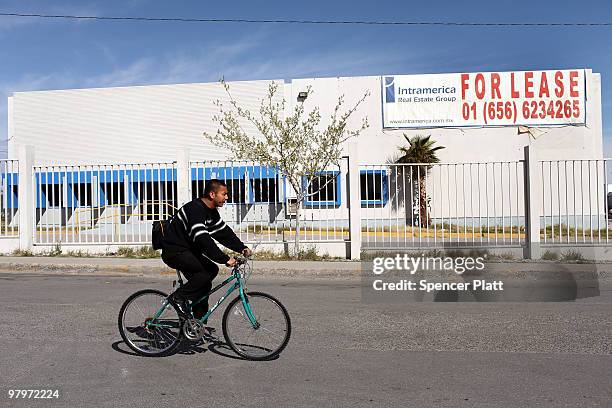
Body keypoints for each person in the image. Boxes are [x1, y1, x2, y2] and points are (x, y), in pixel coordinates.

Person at [160, 179, 252, 320]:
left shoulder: (211, 212)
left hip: (188, 251)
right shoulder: (195, 209)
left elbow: (223, 233)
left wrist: (242, 247)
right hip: (174, 251)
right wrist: (224, 259)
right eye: (224, 194)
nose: (227, 198)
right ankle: (177, 298)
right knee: (203, 275)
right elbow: (202, 238)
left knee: (209, 273)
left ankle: (197, 323)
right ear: (212, 194)